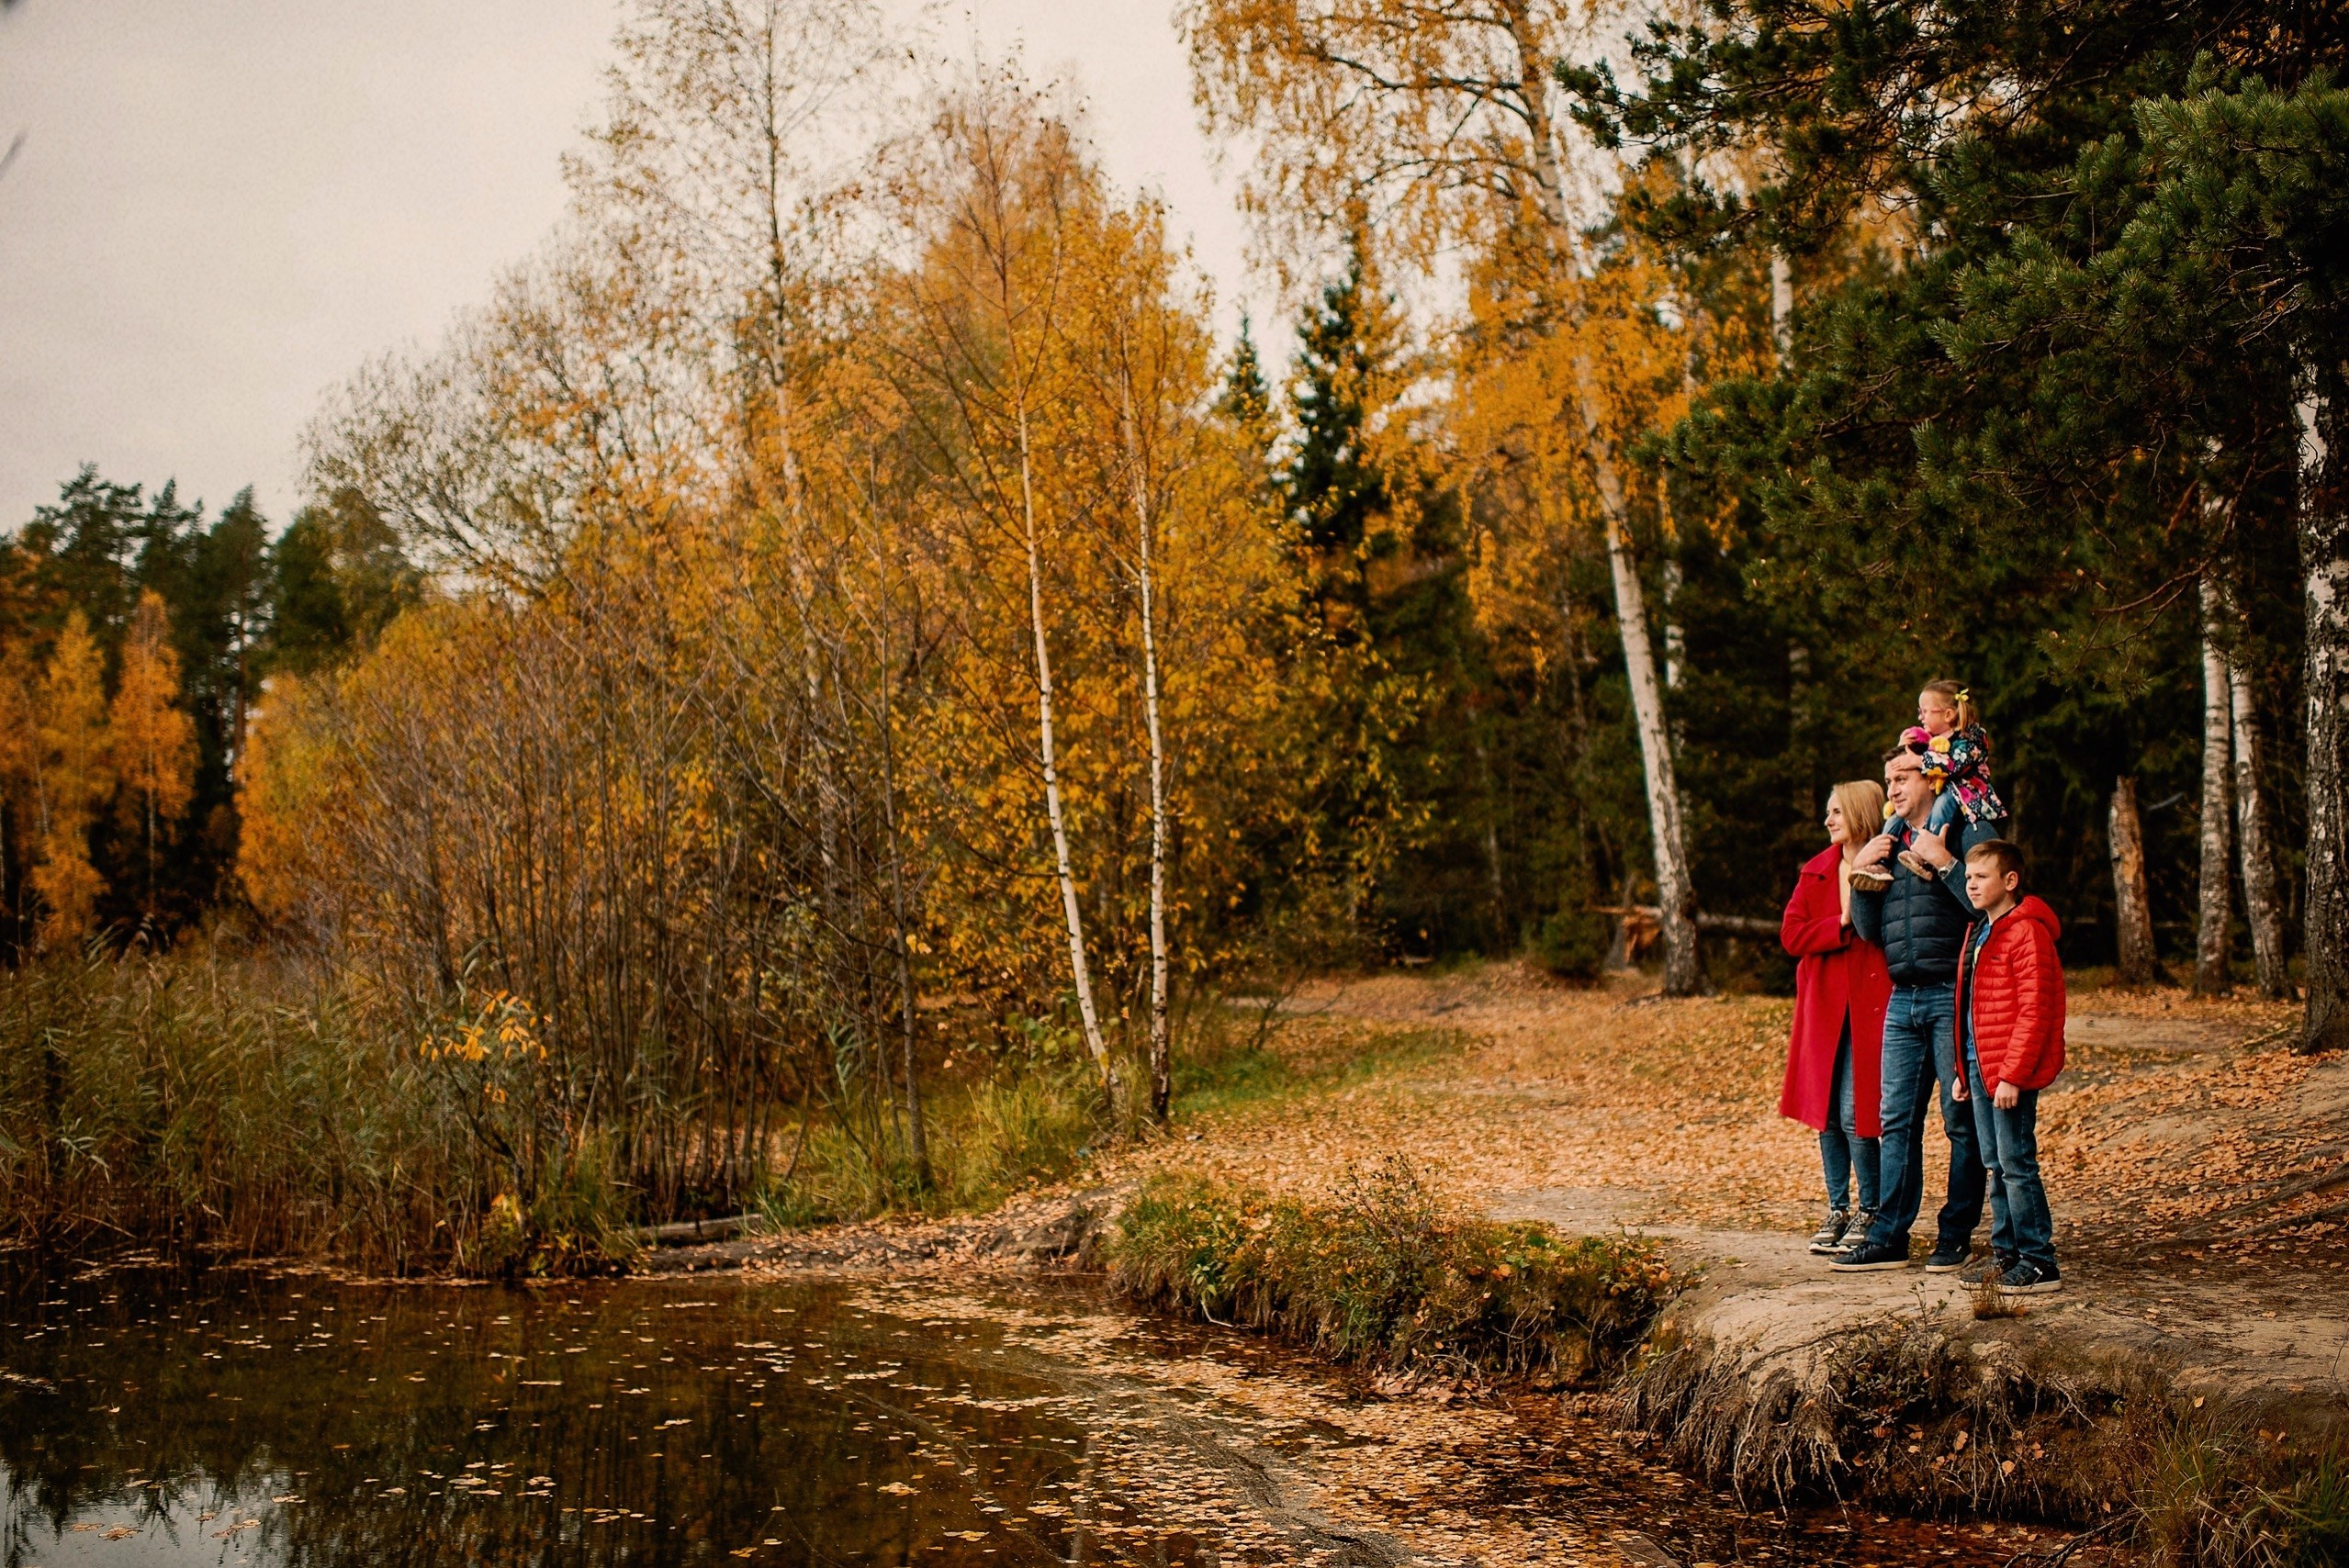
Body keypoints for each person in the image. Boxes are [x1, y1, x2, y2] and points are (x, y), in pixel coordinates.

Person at [1832, 746, 1998, 1273]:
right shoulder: (1891, 841)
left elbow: (1985, 908)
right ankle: (1889, 1235)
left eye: (1902, 777)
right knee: (1894, 1119)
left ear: (1930, 779)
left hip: (1951, 993)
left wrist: (1946, 863)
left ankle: (1954, 1235)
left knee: (1960, 1122)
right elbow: (1868, 931)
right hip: (1902, 998)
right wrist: (1861, 875)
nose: (1894, 789)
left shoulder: (1963, 828)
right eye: (1888, 780)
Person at [1779, 780, 1893, 1255]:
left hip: (1870, 1006)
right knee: (1826, 1115)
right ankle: (1838, 1207)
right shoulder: (1818, 871)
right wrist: (1839, 924)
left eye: (1837, 812)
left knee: (1856, 1114)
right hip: (1824, 1009)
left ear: (1861, 814)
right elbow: (1792, 935)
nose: (1828, 820)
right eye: (1827, 812)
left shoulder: (1889, 868)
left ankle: (1872, 1210)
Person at [1951, 840, 2067, 1294]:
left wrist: (2013, 1076)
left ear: (2010, 881)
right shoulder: (1983, 931)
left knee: (2016, 1162)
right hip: (1982, 1065)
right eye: (1968, 877)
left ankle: (2039, 1260)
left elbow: (2035, 1009)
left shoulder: (2027, 931)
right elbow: (1972, 1007)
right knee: (1994, 1163)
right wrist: (1966, 1070)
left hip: (2007, 1071)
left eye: (1981, 877)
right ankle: (2006, 1254)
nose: (1971, 885)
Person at [1895, 680, 2008, 880]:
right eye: (1919, 711)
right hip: (1946, 791)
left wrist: (1920, 760)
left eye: (1925, 711)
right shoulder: (1933, 738)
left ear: (1948, 714)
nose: (1920, 717)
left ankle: (1928, 850)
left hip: (1965, 796)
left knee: (1941, 806)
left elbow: (1955, 764)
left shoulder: (1971, 736)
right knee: (1900, 816)